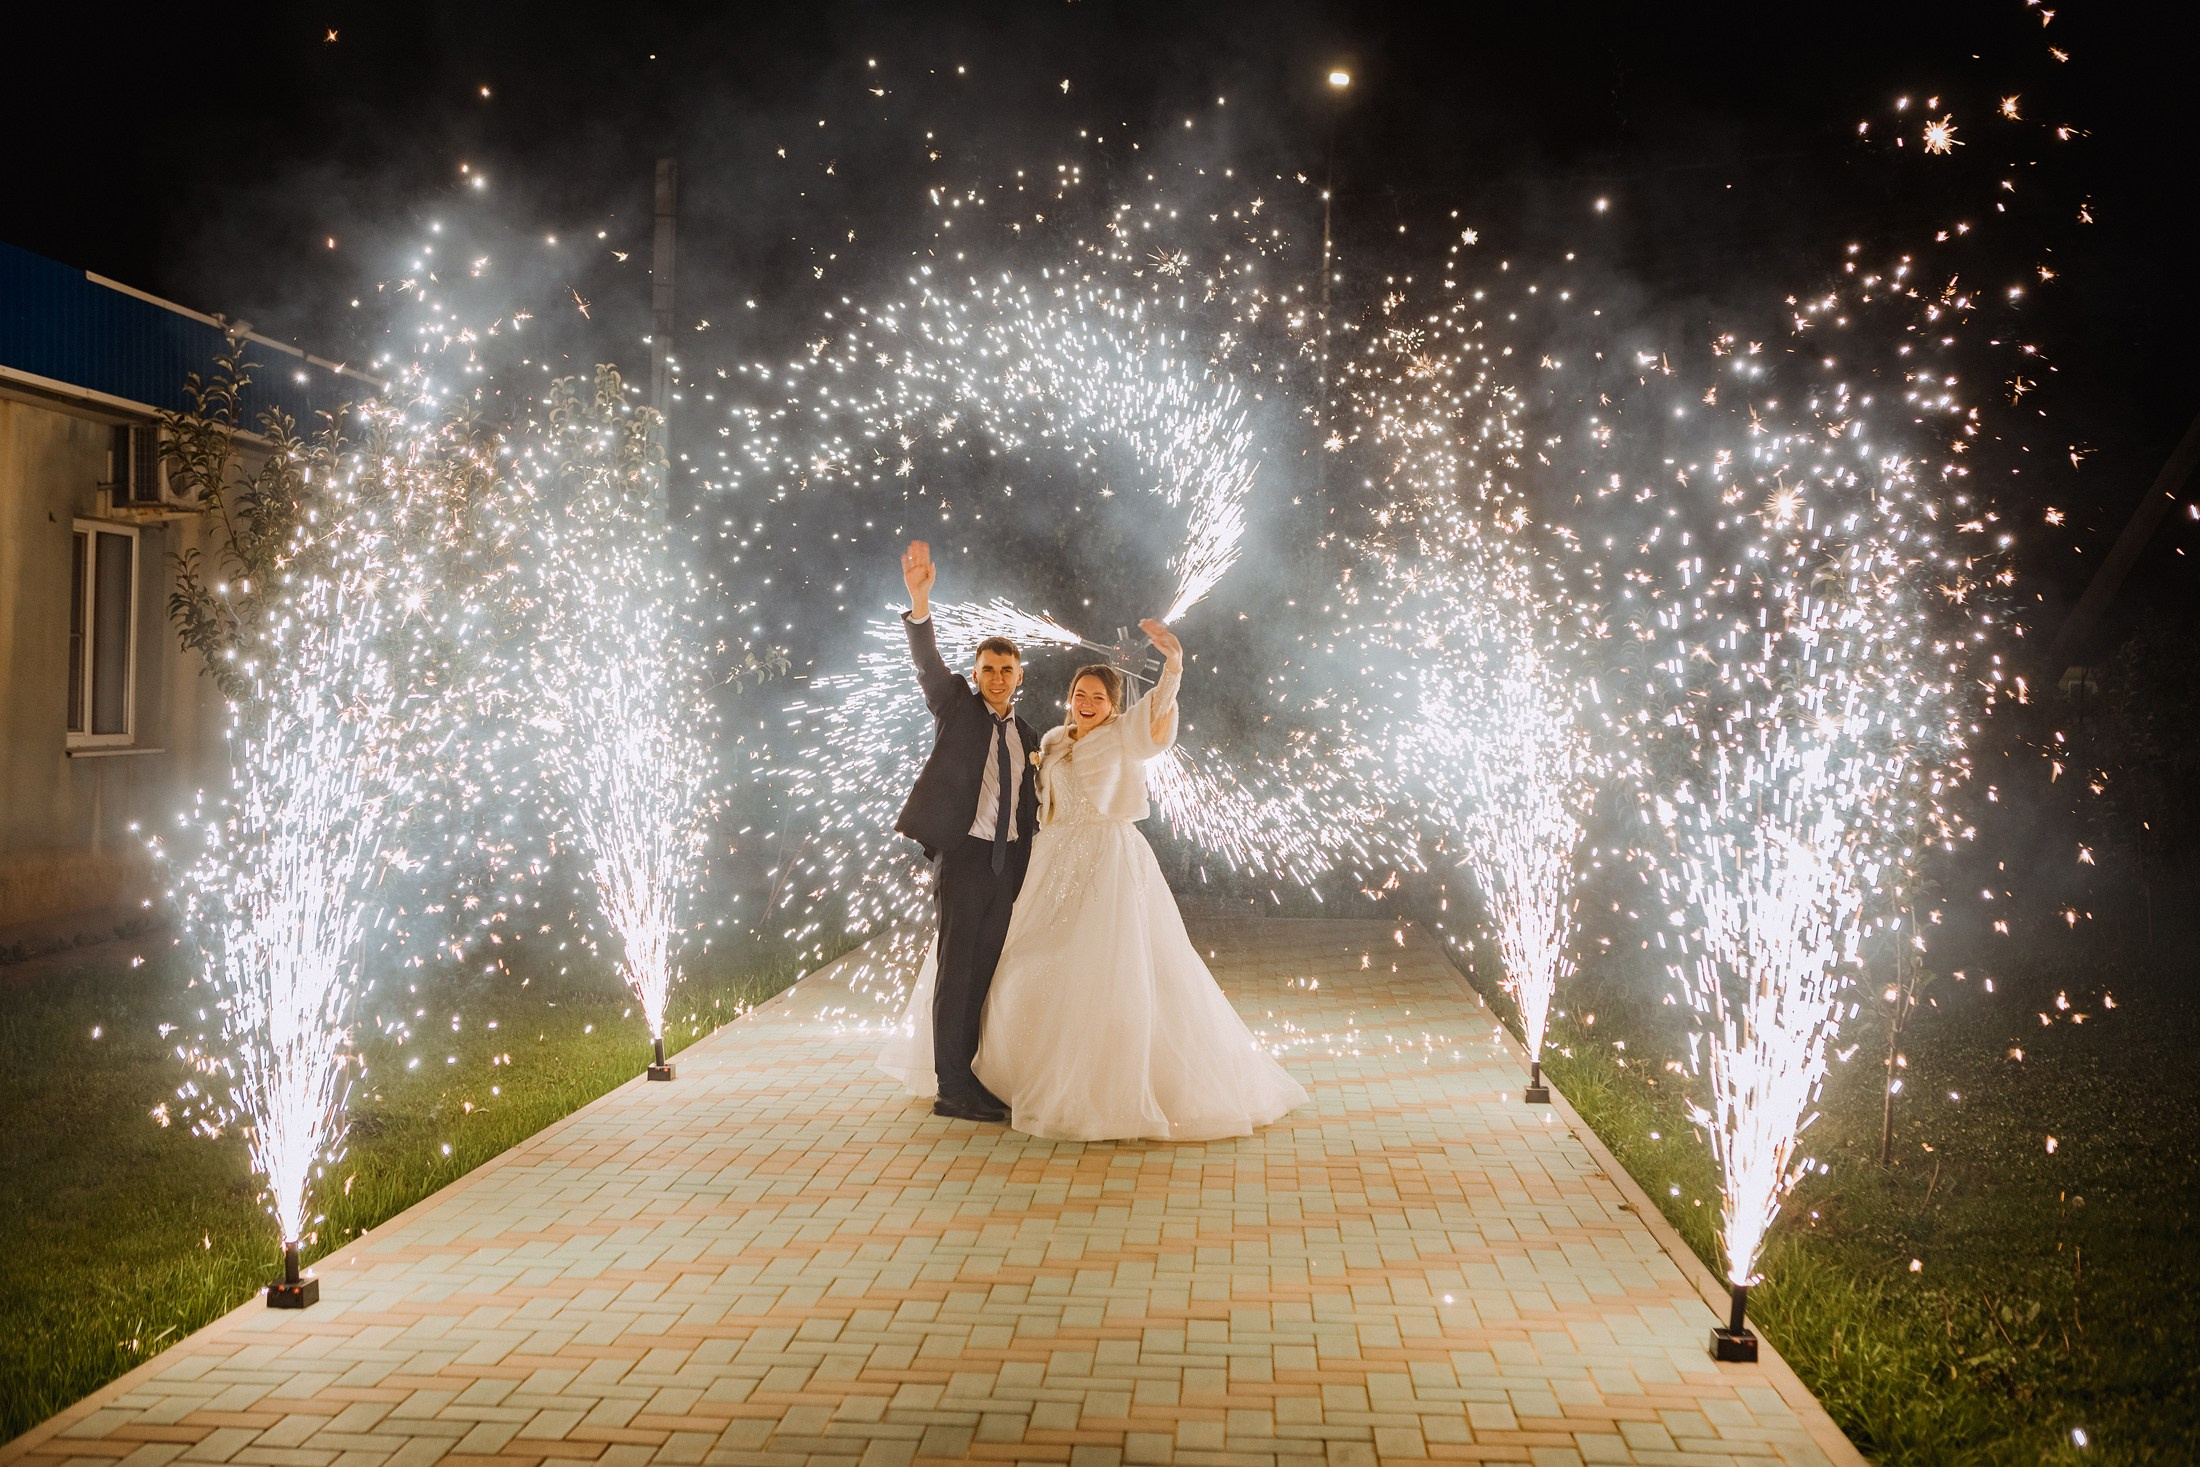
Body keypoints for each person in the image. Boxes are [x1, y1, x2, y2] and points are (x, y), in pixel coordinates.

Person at [883, 615, 1307, 1141]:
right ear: (1068, 695)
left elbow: (1154, 717)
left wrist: (1173, 666)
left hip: (1101, 859)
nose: (1087, 702)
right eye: (1080, 693)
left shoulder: (1120, 735)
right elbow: (1026, 790)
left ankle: (1079, 1084)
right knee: (998, 966)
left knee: (1098, 969)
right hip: (1035, 860)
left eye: (1098, 697)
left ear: (1112, 704)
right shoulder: (1051, 739)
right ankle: (962, 1081)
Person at [887, 540, 1040, 1123]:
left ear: (1019, 676)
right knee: (955, 972)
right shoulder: (956, 706)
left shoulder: (1027, 734)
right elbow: (928, 664)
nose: (998, 677)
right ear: (975, 675)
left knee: (983, 970)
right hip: (966, 860)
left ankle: (968, 1077)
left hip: (1008, 866)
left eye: (1007, 670)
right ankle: (950, 1086)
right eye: (989, 670)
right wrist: (920, 602)